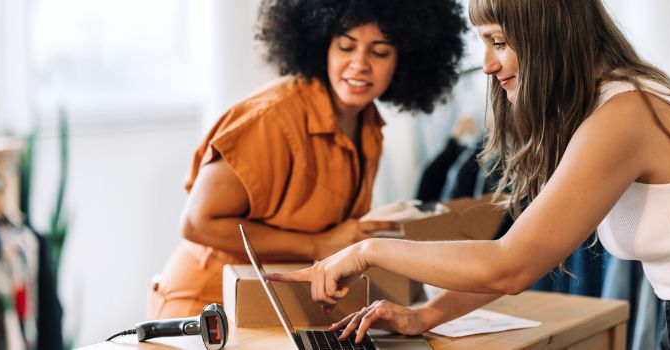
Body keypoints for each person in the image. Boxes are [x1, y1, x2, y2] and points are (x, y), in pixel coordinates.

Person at [269, 0, 670, 348]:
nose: (486, 65)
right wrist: (426, 315)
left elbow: (512, 265)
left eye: (498, 42)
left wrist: (366, 251)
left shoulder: (624, 116)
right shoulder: (609, 106)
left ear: (551, 34)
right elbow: (521, 253)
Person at [147, 0, 467, 319]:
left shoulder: (369, 127)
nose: (359, 64)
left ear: (405, 60)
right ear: (322, 46)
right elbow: (196, 222)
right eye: (345, 46)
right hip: (205, 308)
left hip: (274, 308)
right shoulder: (271, 118)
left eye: (379, 52)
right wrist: (317, 244)